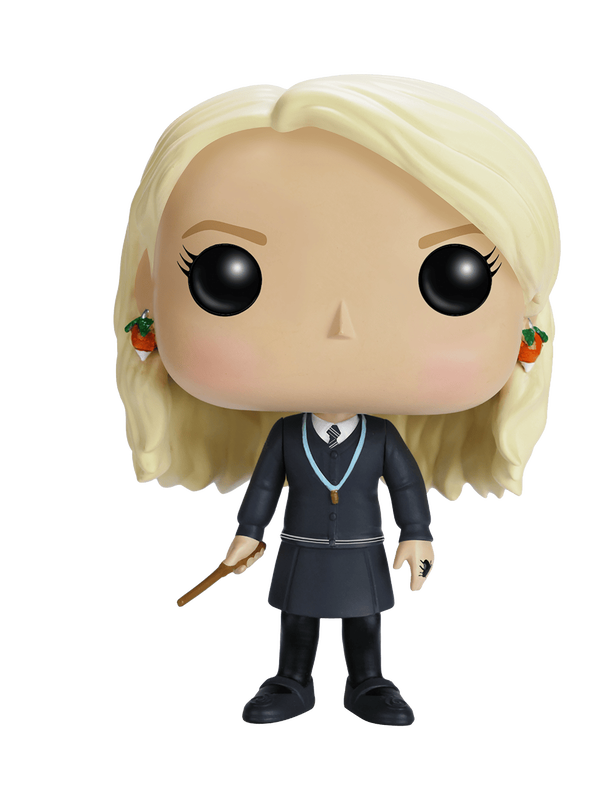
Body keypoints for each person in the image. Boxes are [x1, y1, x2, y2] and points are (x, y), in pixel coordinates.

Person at [113, 74, 562, 727]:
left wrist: (416, 536)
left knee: (365, 622)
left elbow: (404, 487)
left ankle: (369, 683)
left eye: (454, 277)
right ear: (147, 292)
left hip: (360, 547)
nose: (341, 326)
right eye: (226, 275)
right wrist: (245, 535)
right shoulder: (287, 437)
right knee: (296, 621)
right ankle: (290, 681)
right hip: (299, 545)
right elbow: (263, 490)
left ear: (529, 312)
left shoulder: (380, 439)